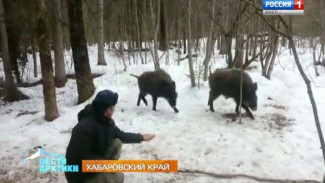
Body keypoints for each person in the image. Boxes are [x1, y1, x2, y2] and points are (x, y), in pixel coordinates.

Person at [65, 90, 155, 183]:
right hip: (79, 175)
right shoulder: (84, 128)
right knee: (117, 177)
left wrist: (141, 137)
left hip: (94, 161)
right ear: (107, 110)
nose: (114, 110)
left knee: (116, 142)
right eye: (113, 108)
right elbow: (83, 158)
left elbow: (121, 135)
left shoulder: (106, 121)